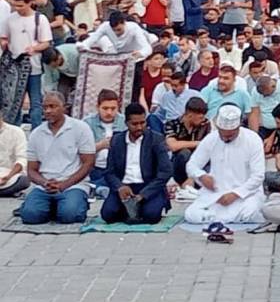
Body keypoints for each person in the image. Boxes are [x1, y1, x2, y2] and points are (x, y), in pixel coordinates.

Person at [20, 92, 96, 225]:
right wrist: (44, 183)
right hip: (45, 187)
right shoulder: (37, 133)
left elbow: (88, 163)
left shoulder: (80, 128)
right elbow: (31, 170)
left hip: (73, 185)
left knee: (70, 215)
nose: (48, 111)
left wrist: (64, 184)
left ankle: (64, 205)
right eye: (45, 107)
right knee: (30, 216)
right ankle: (50, 206)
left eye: (52, 106)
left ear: (65, 107)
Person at [184, 104, 266, 224]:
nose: (226, 138)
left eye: (230, 135)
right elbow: (191, 165)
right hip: (216, 195)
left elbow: (258, 177)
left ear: (238, 127)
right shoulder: (211, 139)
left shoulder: (253, 140)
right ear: (218, 127)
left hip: (246, 194)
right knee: (191, 215)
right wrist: (201, 176)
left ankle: (216, 219)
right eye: (223, 134)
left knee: (249, 213)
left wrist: (235, 194)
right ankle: (224, 219)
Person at [100, 104, 172, 224]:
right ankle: (131, 210)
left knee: (152, 215)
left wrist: (144, 194)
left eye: (143, 123)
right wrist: (120, 187)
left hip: (149, 186)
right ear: (126, 123)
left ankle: (135, 210)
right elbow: (109, 172)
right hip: (125, 187)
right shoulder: (116, 141)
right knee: (108, 215)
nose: (139, 127)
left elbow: (166, 171)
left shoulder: (156, 139)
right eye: (134, 124)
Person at [0, 0, 53, 128]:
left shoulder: (40, 19)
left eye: (20, 5)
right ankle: (13, 130)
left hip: (33, 65)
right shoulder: (10, 19)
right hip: (13, 67)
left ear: (29, 3)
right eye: (15, 5)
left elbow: (46, 42)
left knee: (35, 101)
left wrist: (34, 48)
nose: (17, 8)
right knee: (13, 101)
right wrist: (5, 44)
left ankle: (36, 130)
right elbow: (4, 37)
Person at [166, 96, 211, 200]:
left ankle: (191, 184)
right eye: (200, 117)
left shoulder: (205, 124)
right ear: (190, 115)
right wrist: (198, 143)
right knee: (184, 153)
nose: (203, 119)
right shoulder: (172, 124)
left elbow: (208, 148)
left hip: (199, 166)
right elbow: (173, 146)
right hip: (179, 166)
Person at [0, 108, 29, 197]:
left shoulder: (16, 132)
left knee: (23, 181)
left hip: (11, 175)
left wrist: (8, 177)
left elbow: (22, 159)